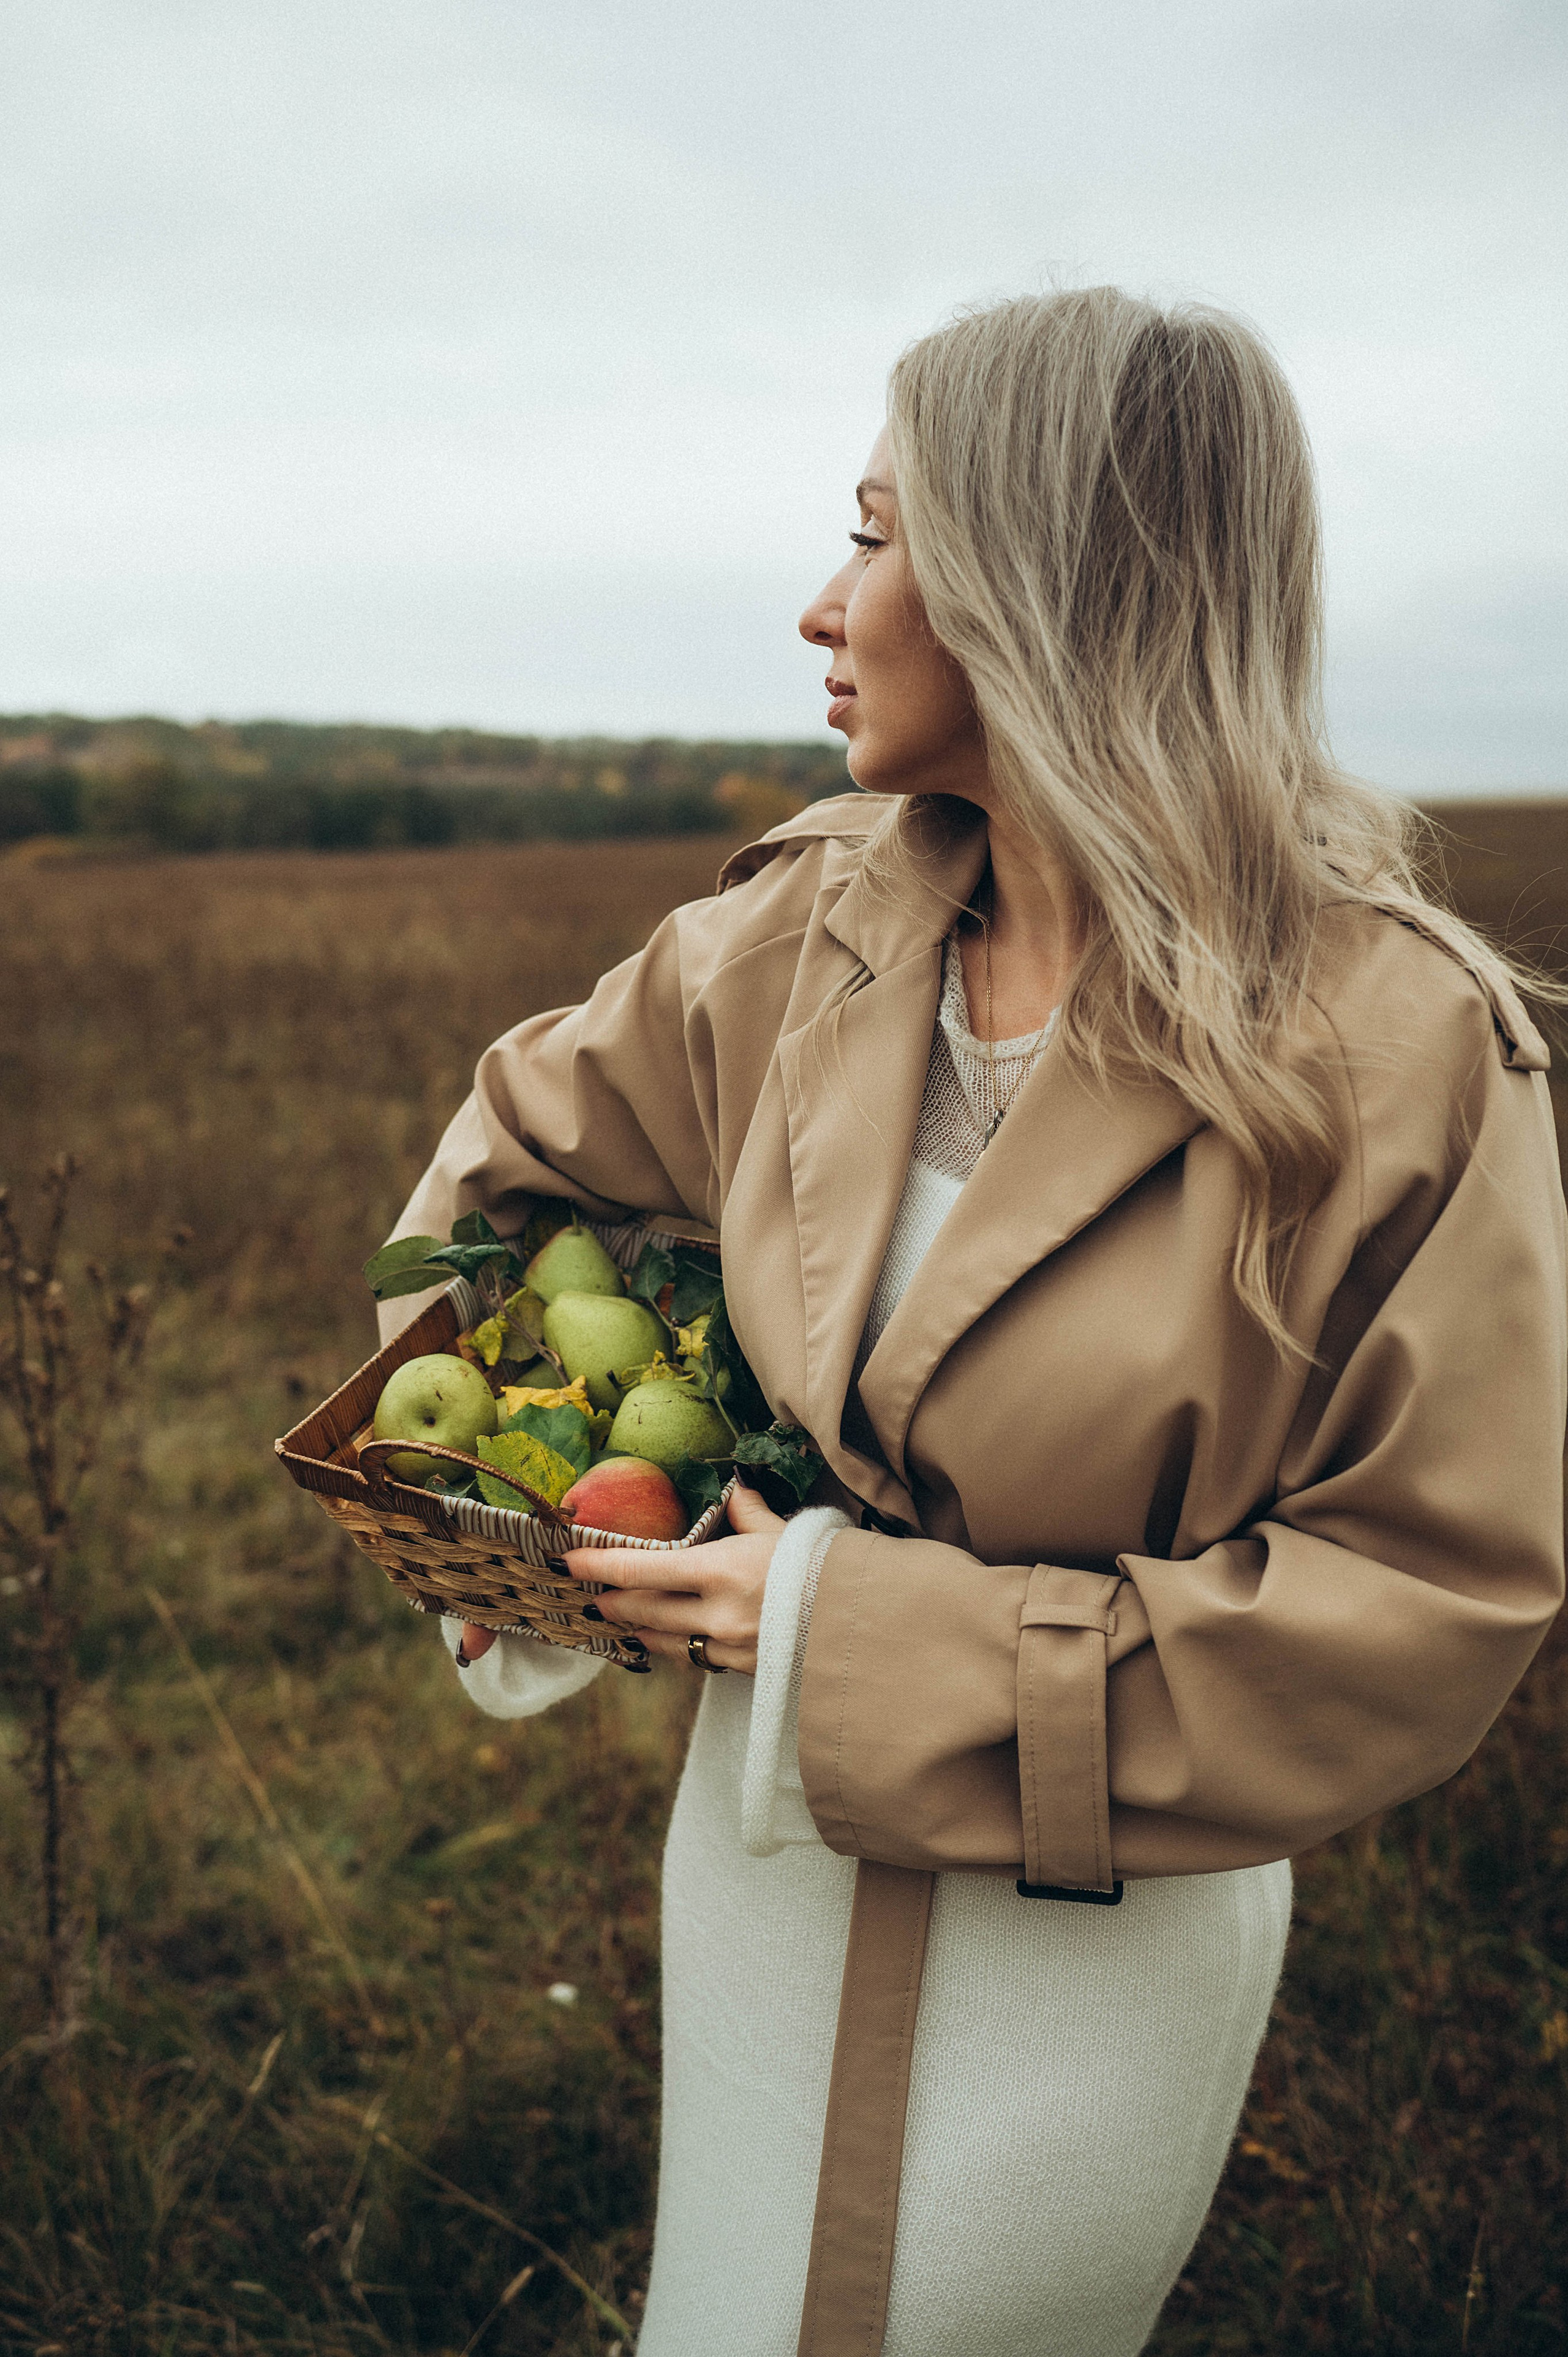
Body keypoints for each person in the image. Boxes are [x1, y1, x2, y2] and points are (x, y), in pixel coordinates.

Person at [377, 289, 1566, 2357]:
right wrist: (540, 1508)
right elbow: (515, 1181)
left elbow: (1428, 1606)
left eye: (873, 534)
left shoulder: (1401, 1046)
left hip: (1090, 1945)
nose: (822, 606)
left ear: (1041, 582)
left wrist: (833, 1630)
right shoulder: (796, 930)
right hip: (760, 1880)